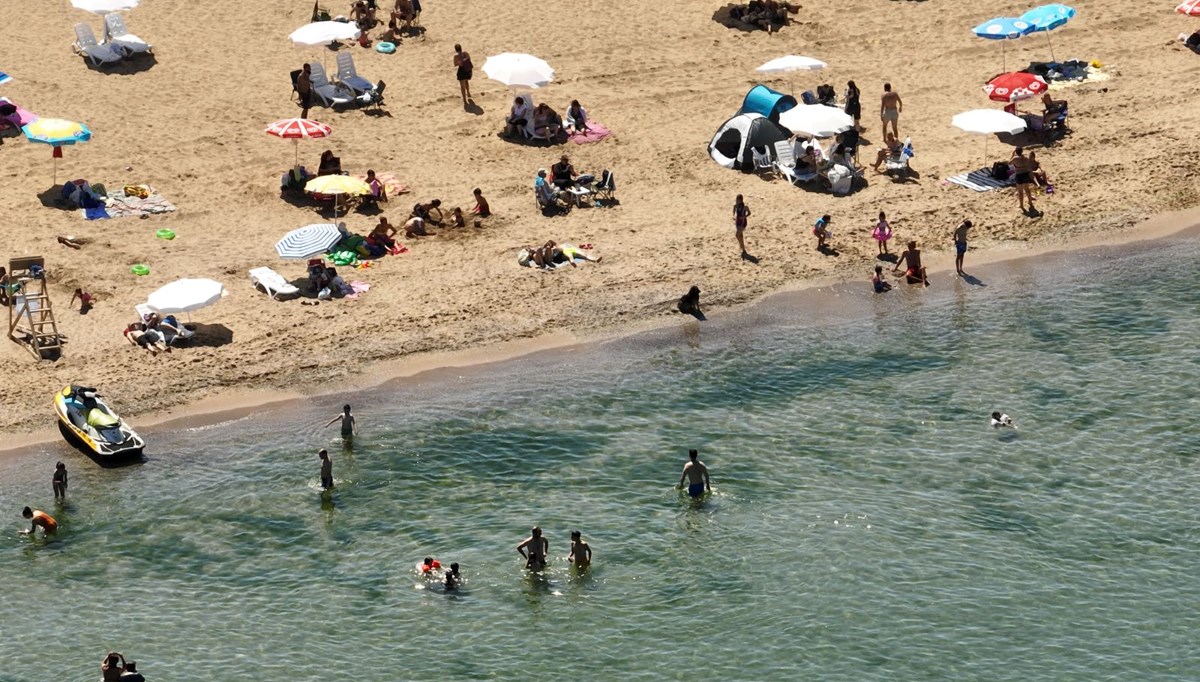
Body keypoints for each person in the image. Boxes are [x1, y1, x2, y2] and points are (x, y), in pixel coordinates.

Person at [1011, 147, 1035, 213]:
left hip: (1019, 175)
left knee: (1020, 191)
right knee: (1027, 189)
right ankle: (1030, 202)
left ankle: (1021, 205)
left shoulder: (1015, 159)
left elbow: (1009, 163)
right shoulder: (1026, 158)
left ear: (1016, 152)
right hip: (1025, 174)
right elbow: (1029, 164)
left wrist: (1012, 155)